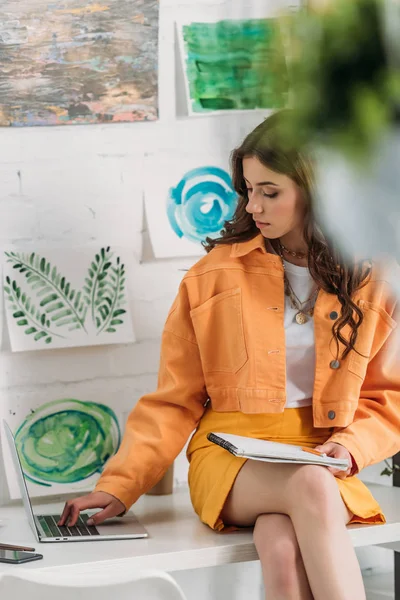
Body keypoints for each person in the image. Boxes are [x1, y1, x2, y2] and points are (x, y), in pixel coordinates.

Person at [59, 110, 400, 600]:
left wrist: (350, 447)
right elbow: (174, 400)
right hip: (230, 454)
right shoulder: (213, 275)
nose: (253, 205)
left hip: (322, 454)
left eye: (270, 190)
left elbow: (389, 398)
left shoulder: (375, 277)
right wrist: (119, 485)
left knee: (282, 549)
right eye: (248, 189)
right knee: (310, 489)